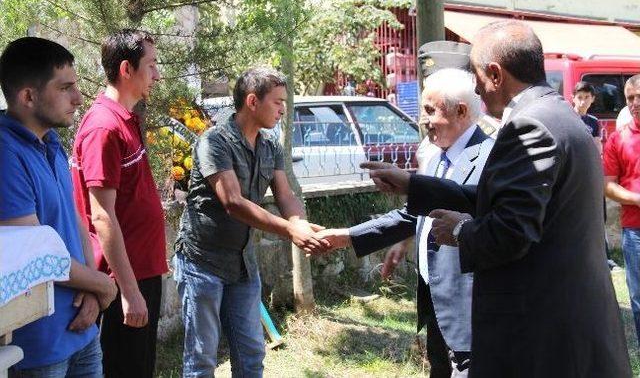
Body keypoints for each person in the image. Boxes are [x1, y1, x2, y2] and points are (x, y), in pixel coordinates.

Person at [359, 20, 631, 377]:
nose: (475, 88)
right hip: (568, 323)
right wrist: (414, 185)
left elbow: (511, 231)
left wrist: (460, 233)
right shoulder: (558, 113)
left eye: (475, 76)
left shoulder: (529, 126)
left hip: (540, 333)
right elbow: (503, 199)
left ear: (495, 74)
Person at [319, 68, 494, 377]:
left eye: (430, 111)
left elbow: (483, 214)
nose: (422, 120)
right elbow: (416, 212)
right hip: (436, 300)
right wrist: (346, 236)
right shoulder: (432, 154)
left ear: (462, 111)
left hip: (471, 305)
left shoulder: (490, 158)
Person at [173, 67, 329, 377]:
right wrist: (289, 229)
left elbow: (284, 195)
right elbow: (233, 202)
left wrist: (299, 223)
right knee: (202, 360)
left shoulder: (270, 145)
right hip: (201, 263)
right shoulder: (214, 142)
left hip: (242, 264)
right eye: (277, 102)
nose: (283, 109)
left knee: (251, 354)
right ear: (253, 102)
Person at [0, 37, 117, 377]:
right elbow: (32, 257)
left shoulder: (49, 141)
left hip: (81, 326)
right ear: (28, 96)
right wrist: (101, 284)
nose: (78, 98)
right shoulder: (6, 155)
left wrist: (93, 289)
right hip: (38, 344)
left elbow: (77, 221)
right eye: (65, 88)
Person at [71, 29, 166, 378]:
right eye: (152, 65)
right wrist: (128, 291)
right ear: (127, 69)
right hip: (124, 279)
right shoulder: (103, 128)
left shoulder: (124, 119)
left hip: (142, 270)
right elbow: (101, 215)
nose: (157, 74)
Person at [604, 74, 640, 347]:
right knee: (638, 300)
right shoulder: (618, 140)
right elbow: (608, 186)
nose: (635, 103)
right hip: (635, 231)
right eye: (630, 98)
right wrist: (637, 199)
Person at [572, 81, 602, 153]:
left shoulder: (594, 121)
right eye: (579, 97)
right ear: (573, 98)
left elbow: (597, 145)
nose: (583, 102)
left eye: (587, 97)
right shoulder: (566, 118)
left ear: (592, 99)